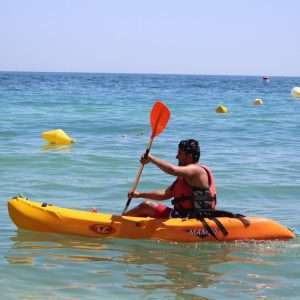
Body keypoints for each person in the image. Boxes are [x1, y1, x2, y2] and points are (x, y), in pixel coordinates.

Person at [124, 139, 216, 218]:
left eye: (180, 153)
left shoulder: (197, 170)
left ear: (189, 156)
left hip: (193, 217)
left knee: (146, 206)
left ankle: (118, 224)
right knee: (145, 211)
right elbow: (165, 194)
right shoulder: (185, 175)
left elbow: (173, 170)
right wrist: (139, 194)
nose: (176, 157)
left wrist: (151, 159)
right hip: (184, 215)